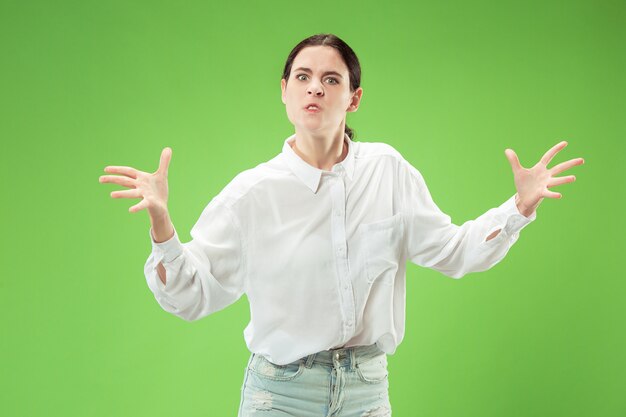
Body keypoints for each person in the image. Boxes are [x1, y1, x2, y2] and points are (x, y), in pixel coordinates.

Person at [99, 33, 584, 417]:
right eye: (303, 76)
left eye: (332, 79)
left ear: (353, 98)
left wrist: (517, 209)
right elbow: (191, 294)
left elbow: (454, 251)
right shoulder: (252, 194)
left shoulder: (388, 170)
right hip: (280, 396)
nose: (316, 87)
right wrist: (163, 226)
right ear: (284, 92)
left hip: (366, 392)